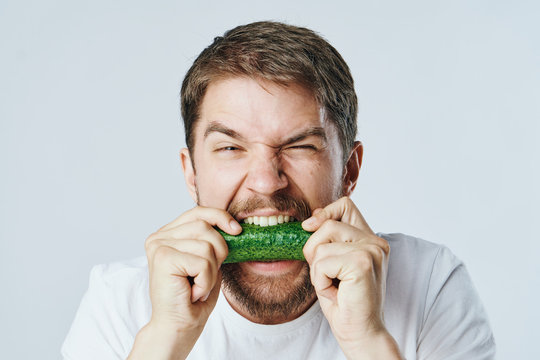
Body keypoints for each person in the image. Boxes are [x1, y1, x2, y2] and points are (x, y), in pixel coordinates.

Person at [61, 21, 495, 359]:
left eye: (300, 146)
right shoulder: (121, 302)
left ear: (350, 168)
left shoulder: (430, 284)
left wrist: (368, 342)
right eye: (231, 147)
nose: (267, 180)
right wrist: (165, 340)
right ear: (191, 172)